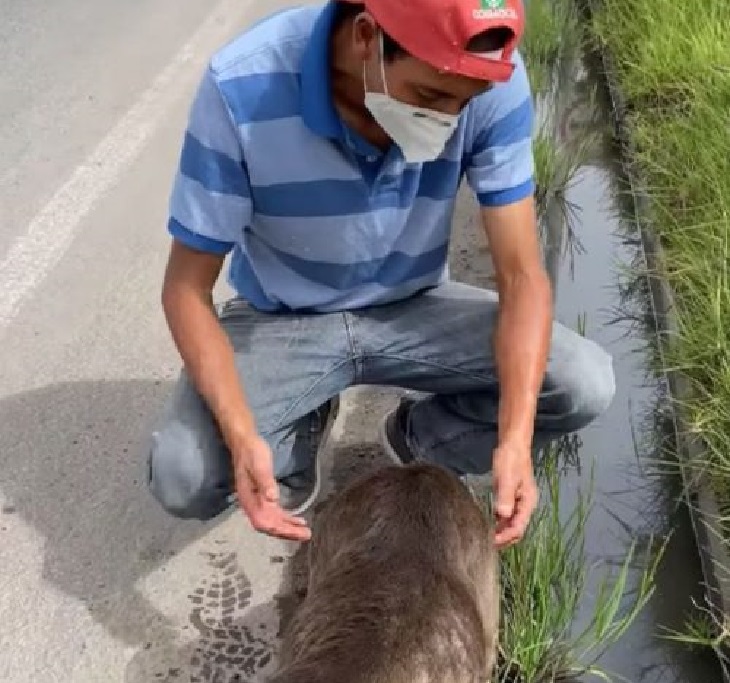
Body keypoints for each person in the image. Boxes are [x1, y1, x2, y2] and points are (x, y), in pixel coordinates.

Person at [148, 0, 615, 548]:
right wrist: (242, 433)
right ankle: (302, 423)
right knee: (186, 475)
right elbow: (185, 289)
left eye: (465, 104)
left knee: (582, 381)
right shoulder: (243, 86)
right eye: (429, 98)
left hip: (415, 305)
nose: (448, 119)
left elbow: (522, 278)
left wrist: (514, 439)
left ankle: (424, 440)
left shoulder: (487, 81)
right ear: (367, 36)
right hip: (286, 318)